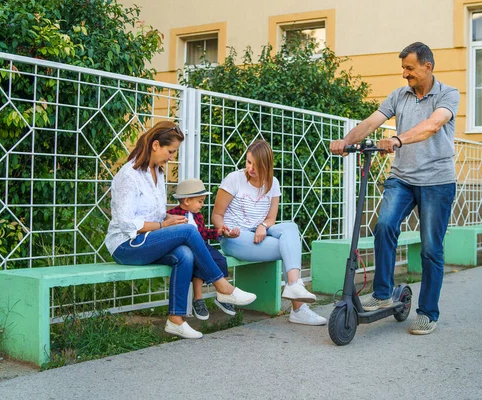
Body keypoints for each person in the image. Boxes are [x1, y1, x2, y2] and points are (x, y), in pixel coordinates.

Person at [329, 42, 460, 335]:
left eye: (409, 68)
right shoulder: (399, 95)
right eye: (403, 68)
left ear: (428, 66)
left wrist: (398, 140)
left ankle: (427, 312)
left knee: (430, 249)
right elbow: (371, 122)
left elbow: (433, 125)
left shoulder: (448, 95)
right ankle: (383, 292)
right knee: (385, 225)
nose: (404, 74)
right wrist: (345, 141)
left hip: (437, 182)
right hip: (402, 178)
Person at [105, 121, 256, 339]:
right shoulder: (129, 175)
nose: (172, 157)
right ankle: (223, 286)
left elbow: (153, 214)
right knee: (188, 232)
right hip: (125, 245)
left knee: (184, 254)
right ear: (155, 145)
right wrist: (162, 225)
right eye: (171, 151)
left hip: (148, 239)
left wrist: (167, 218)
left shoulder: (157, 173)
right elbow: (127, 222)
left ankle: (175, 320)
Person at [212, 139, 327, 326]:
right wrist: (223, 230)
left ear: (267, 165)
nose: (250, 168)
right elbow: (217, 214)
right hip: (235, 237)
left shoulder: (273, 183)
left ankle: (294, 287)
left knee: (291, 227)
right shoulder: (234, 179)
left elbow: (271, 218)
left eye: (256, 165)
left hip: (259, 234)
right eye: (249, 162)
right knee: (287, 247)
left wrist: (263, 226)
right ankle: (298, 306)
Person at [167, 178, 240, 320]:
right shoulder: (173, 215)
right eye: (200, 201)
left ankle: (223, 296)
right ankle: (198, 299)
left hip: (202, 245)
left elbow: (203, 233)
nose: (203, 204)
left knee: (220, 259)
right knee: (198, 265)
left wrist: (217, 232)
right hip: (186, 249)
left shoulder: (198, 216)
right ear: (187, 201)